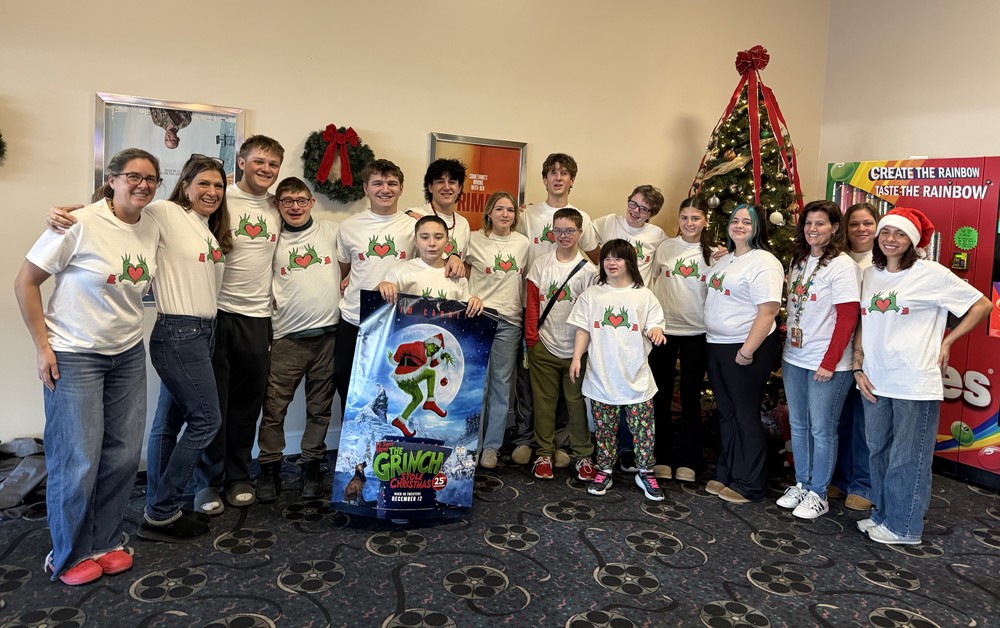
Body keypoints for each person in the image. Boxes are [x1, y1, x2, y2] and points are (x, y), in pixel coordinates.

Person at [16, 149, 161, 584]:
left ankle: (106, 541)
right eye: (133, 176)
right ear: (112, 179)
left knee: (120, 455)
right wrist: (43, 347)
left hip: (127, 352)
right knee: (77, 458)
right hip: (74, 354)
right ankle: (69, 552)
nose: (143, 184)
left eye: (151, 178)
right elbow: (25, 282)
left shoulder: (151, 225)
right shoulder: (76, 222)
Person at [854, 207, 991, 545]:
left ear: (912, 241)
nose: (891, 239)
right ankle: (883, 515)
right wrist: (858, 365)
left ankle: (904, 526)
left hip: (914, 378)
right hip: (874, 377)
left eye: (900, 234)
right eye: (886, 232)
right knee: (878, 449)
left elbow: (982, 305)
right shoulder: (870, 274)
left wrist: (949, 340)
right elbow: (864, 321)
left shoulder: (932, 273)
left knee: (907, 456)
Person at [140, 155, 231, 542]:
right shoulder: (165, 210)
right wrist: (69, 213)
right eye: (204, 184)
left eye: (218, 186)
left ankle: (158, 509)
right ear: (186, 185)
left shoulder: (205, 228)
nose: (212, 192)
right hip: (179, 330)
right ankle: (163, 509)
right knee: (207, 420)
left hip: (201, 331)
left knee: (169, 423)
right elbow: (116, 206)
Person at [196, 135, 284, 515]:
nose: (266, 170)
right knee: (212, 405)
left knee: (247, 405)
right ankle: (206, 482)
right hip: (215, 314)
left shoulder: (278, 207)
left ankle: (237, 476)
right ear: (242, 161)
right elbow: (160, 215)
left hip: (258, 319)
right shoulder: (221, 198)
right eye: (260, 161)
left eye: (273, 164)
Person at [512, 153, 600, 468]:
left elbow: (595, 261)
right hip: (536, 318)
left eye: (564, 173)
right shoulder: (528, 215)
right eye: (552, 173)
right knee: (533, 389)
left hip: (573, 330)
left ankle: (568, 447)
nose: (558, 178)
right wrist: (532, 335)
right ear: (545, 178)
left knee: (572, 397)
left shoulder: (584, 221)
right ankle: (532, 444)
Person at [256, 177, 341, 503]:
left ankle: (310, 465)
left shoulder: (331, 231)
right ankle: (269, 468)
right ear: (278, 205)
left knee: (320, 410)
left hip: (328, 336)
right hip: (287, 338)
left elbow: (361, 252)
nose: (295, 206)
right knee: (274, 408)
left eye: (301, 200)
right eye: (287, 200)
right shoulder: (270, 238)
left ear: (311, 203)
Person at [775, 200, 860, 520]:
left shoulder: (842, 265)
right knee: (798, 424)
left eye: (821, 223)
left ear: (834, 228)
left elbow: (847, 318)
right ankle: (802, 482)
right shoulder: (798, 260)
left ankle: (818, 492)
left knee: (822, 428)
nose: (813, 229)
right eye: (809, 223)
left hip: (828, 362)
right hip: (796, 356)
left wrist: (829, 361)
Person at [568, 239, 667, 500]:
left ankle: (645, 471)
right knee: (604, 429)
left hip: (636, 377)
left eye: (618, 258)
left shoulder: (643, 295)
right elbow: (583, 329)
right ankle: (605, 470)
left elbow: (655, 323)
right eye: (607, 258)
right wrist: (577, 357)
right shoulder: (592, 294)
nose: (611, 263)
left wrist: (656, 331)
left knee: (644, 429)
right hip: (602, 375)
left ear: (629, 263)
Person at [703, 203, 783, 503]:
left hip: (746, 347)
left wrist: (747, 350)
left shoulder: (764, 262)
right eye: (735, 220)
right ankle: (728, 473)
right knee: (727, 413)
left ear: (758, 227)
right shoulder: (726, 259)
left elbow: (769, 310)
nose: (739, 226)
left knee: (746, 414)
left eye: (746, 222)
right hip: (717, 344)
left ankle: (750, 483)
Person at [378, 215, 483, 437]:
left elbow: (465, 307)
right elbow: (383, 300)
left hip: (420, 365)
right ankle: (419, 408)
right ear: (416, 241)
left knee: (424, 388)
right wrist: (384, 285)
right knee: (423, 386)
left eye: (438, 237)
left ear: (448, 241)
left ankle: (416, 411)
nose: (432, 243)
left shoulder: (456, 277)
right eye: (425, 237)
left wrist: (474, 301)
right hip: (405, 370)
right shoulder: (402, 272)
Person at [334, 159, 417, 414]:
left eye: (392, 183)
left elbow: (436, 254)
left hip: (396, 319)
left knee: (393, 386)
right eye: (378, 183)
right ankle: (354, 442)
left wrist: (455, 257)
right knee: (344, 378)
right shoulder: (349, 226)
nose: (385, 189)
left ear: (401, 188)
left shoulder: (415, 225)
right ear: (365, 189)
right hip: (355, 316)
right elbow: (344, 270)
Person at [524, 208, 597, 480]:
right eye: (558, 230)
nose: (563, 236)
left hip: (576, 349)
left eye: (569, 231)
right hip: (544, 344)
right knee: (544, 402)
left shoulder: (589, 270)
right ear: (551, 232)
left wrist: (585, 349)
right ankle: (543, 452)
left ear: (580, 233)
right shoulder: (541, 264)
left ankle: (582, 455)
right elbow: (532, 303)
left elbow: (591, 313)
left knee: (576, 402)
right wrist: (532, 340)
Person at [649, 197, 718, 482]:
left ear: (705, 221)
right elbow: (651, 283)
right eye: (685, 217)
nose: (689, 223)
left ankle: (690, 458)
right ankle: (662, 455)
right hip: (664, 331)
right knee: (661, 395)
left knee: (691, 398)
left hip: (697, 334)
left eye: (695, 218)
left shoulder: (714, 254)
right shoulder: (665, 246)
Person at [464, 191, 530, 468]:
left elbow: (526, 281)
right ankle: (470, 445)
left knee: (501, 386)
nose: (505, 214)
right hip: (479, 318)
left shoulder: (524, 243)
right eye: (499, 209)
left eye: (511, 210)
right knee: (475, 385)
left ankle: (491, 447)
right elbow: (460, 275)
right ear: (489, 212)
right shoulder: (474, 240)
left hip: (510, 321)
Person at [830, 201, 880, 510]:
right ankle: (839, 479)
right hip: (840, 350)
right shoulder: (839, 260)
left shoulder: (886, 261)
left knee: (865, 422)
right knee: (841, 418)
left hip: (872, 351)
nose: (861, 229)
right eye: (854, 224)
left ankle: (864, 484)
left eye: (867, 223)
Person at [593, 185, 668, 286]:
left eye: (644, 209)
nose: (636, 210)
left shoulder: (657, 235)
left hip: (637, 296)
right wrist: (599, 258)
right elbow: (584, 236)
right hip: (606, 291)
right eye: (633, 204)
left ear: (651, 214)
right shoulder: (610, 221)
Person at [406, 159, 472, 262]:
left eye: (452, 182)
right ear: (430, 187)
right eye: (440, 182)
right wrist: (407, 213)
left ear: (459, 188)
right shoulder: (414, 216)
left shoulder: (463, 223)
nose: (446, 187)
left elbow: (462, 262)